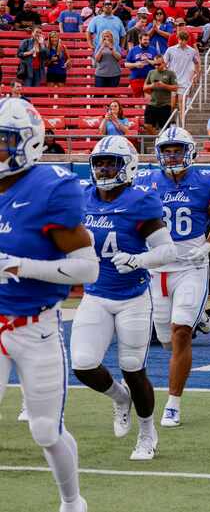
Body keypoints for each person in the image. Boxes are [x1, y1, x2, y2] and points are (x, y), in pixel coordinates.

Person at [0, 98, 97, 512]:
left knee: (44, 430)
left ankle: (72, 502)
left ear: (27, 143)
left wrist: (21, 266)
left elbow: (87, 270)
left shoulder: (51, 188)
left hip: (36, 327)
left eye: (3, 141)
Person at [72, 136, 175, 461]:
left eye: (111, 162)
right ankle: (119, 398)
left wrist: (138, 259)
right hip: (95, 294)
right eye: (99, 162)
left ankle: (147, 434)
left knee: (133, 368)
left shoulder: (139, 201)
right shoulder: (82, 198)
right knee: (83, 364)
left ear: (126, 166)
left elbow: (167, 251)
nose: (103, 168)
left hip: (132, 296)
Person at [139, 127, 210, 427]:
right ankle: (197, 319)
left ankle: (173, 403)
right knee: (165, 340)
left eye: (177, 149)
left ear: (189, 151)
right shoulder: (146, 182)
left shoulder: (204, 182)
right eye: (167, 150)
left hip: (190, 267)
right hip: (156, 270)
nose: (172, 155)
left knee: (180, 333)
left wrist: (206, 247)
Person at [163, 30, 200, 121]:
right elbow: (164, 63)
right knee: (171, 104)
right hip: (172, 81)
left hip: (184, 81)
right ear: (177, 39)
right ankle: (170, 122)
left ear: (187, 40)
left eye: (183, 40)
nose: (181, 41)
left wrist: (196, 73)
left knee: (181, 102)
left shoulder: (192, 51)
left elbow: (196, 62)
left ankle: (182, 123)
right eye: (180, 39)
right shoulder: (170, 50)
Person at [143, 55, 178, 134]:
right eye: (155, 64)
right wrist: (152, 86)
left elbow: (175, 88)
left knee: (165, 128)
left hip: (165, 105)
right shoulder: (151, 72)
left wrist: (164, 85)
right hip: (152, 103)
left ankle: (160, 138)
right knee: (147, 125)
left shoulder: (170, 73)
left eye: (158, 64)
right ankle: (157, 137)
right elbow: (144, 88)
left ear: (164, 63)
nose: (156, 66)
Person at [125, 33, 157, 97]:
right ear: (140, 40)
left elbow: (158, 63)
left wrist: (148, 60)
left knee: (149, 100)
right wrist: (136, 64)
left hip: (150, 79)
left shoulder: (153, 49)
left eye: (148, 40)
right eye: (145, 40)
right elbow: (126, 64)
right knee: (137, 101)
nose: (147, 42)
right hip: (136, 79)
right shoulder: (133, 50)